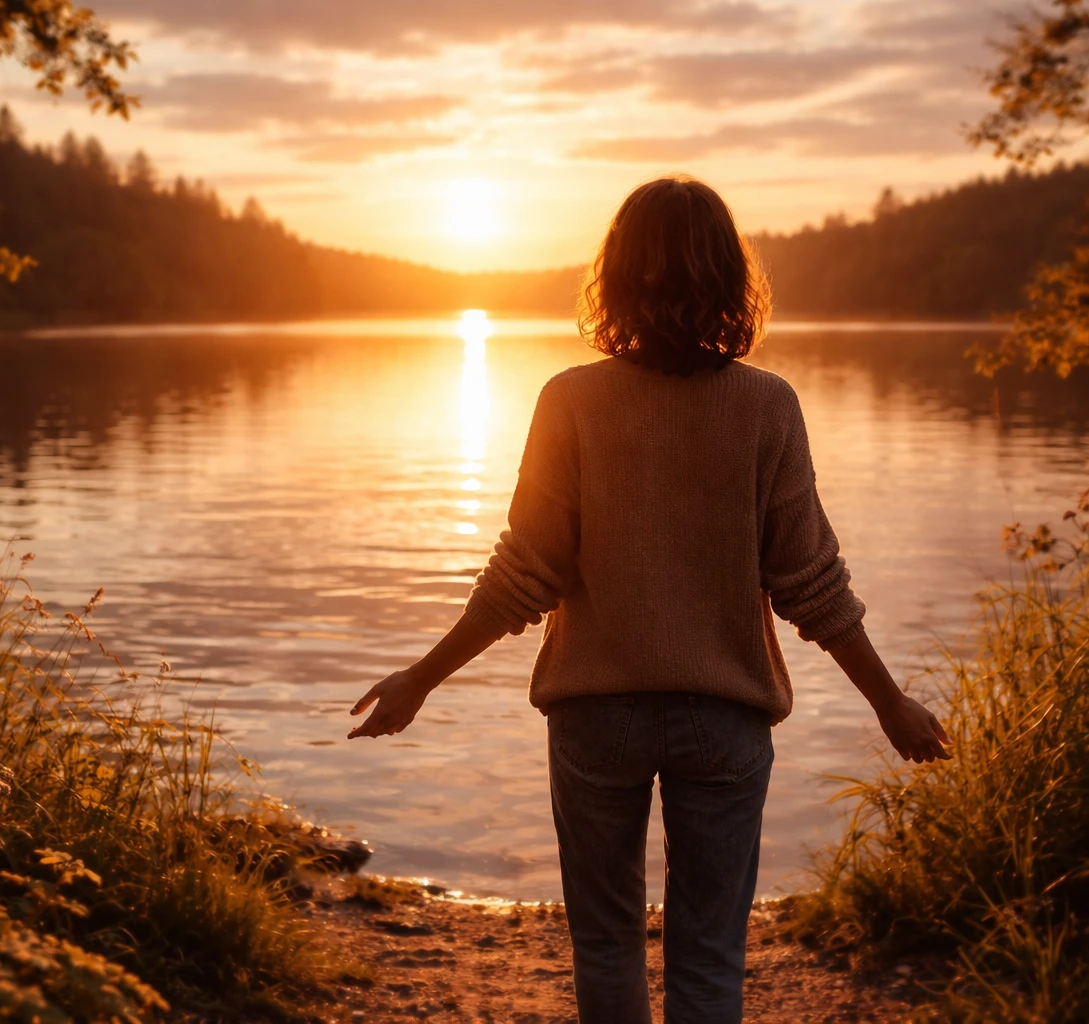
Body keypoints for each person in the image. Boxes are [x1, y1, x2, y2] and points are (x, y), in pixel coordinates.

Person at [347, 175, 951, 1023]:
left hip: (598, 717)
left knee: (605, 946)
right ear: (731, 280)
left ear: (617, 277)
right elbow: (811, 583)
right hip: (725, 721)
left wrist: (424, 673)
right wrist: (889, 703)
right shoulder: (766, 406)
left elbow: (526, 574)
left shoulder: (572, 401)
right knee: (708, 958)